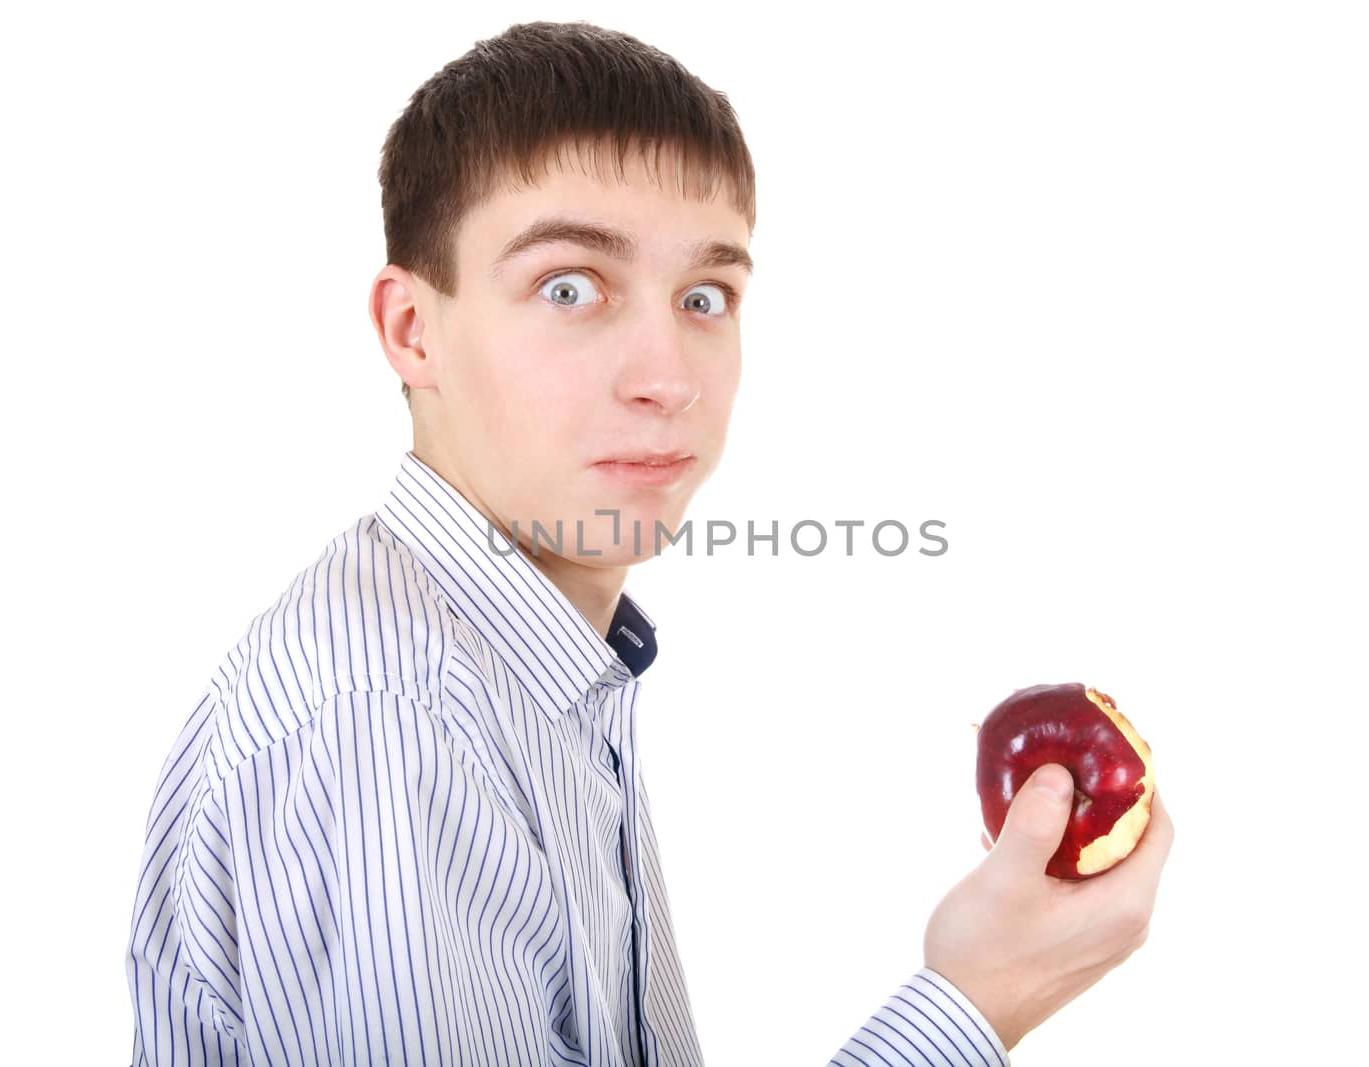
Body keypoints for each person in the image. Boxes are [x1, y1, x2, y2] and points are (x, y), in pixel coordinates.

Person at [125, 20, 1173, 1067]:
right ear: (412, 328)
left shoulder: (532, 665)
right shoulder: (394, 721)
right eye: (570, 286)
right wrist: (974, 1002)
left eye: (705, 297)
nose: (667, 377)